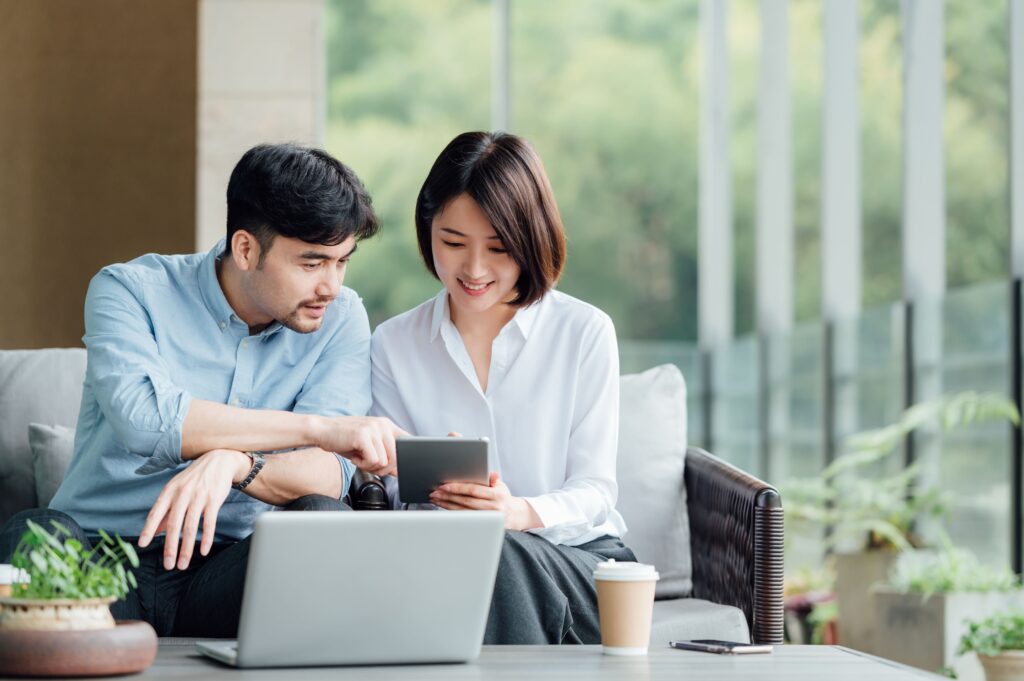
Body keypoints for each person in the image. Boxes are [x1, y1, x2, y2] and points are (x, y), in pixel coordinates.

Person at [0, 143, 405, 637]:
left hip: (229, 569)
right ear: (246, 248)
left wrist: (236, 463)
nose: (332, 286)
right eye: (312, 263)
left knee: (322, 519)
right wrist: (320, 428)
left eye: (342, 262)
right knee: (33, 535)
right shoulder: (128, 290)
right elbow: (148, 421)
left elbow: (332, 472)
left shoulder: (342, 319)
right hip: (100, 556)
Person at [370, 131, 636, 644]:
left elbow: (596, 491)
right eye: (452, 243)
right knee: (478, 557)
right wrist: (441, 489)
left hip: (580, 563)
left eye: (498, 248)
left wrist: (515, 514)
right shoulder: (394, 343)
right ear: (428, 232)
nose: (473, 270)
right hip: (448, 562)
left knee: (499, 551)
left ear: (533, 239)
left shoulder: (583, 332)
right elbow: (394, 490)